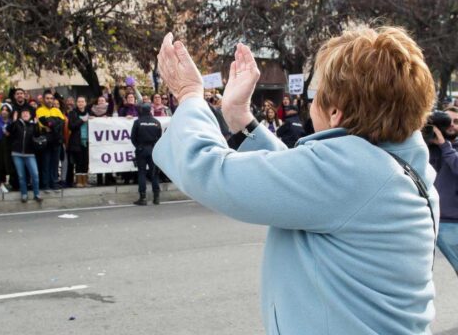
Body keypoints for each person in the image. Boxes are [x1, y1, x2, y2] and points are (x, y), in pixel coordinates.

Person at [154, 27, 438, 334]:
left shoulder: (351, 172)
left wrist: (189, 96)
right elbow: (307, 186)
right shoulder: (392, 166)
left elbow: (206, 169)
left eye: (316, 97)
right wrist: (240, 117)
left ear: (335, 113)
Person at [428, 106, 458, 275]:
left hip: (452, 222)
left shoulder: (447, 147)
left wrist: (445, 146)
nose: (451, 125)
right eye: (447, 122)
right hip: (428, 220)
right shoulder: (429, 147)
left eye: (456, 121)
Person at [6, 109, 42, 203]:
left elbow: (38, 136)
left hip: (30, 153)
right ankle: (24, 194)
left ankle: (36, 194)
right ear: (20, 115)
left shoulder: (32, 125)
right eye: (23, 113)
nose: (25, 114)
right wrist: (14, 121)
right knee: (21, 175)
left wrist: (37, 124)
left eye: (27, 113)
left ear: (30, 115)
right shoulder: (16, 124)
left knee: (35, 174)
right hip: (17, 153)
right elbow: (8, 131)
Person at [131, 103, 162, 205]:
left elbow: (133, 138)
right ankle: (156, 198)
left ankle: (143, 198)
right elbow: (160, 137)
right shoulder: (156, 122)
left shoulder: (137, 122)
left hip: (141, 149)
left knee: (142, 173)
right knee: (154, 174)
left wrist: (138, 146)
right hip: (153, 149)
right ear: (150, 110)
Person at [36, 90, 66, 193]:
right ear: (43, 99)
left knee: (55, 163)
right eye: (47, 98)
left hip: (56, 140)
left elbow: (62, 123)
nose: (49, 100)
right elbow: (44, 122)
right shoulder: (40, 110)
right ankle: (45, 184)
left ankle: (54, 183)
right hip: (46, 141)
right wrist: (54, 123)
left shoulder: (57, 110)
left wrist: (52, 124)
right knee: (45, 163)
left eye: (51, 98)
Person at [67, 96, 90, 188]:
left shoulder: (89, 113)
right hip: (77, 141)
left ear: (85, 103)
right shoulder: (73, 113)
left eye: (82, 101)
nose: (80, 103)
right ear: (76, 103)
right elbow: (71, 126)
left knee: (86, 162)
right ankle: (79, 182)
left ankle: (85, 181)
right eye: (79, 101)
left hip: (88, 141)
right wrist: (82, 120)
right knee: (79, 162)